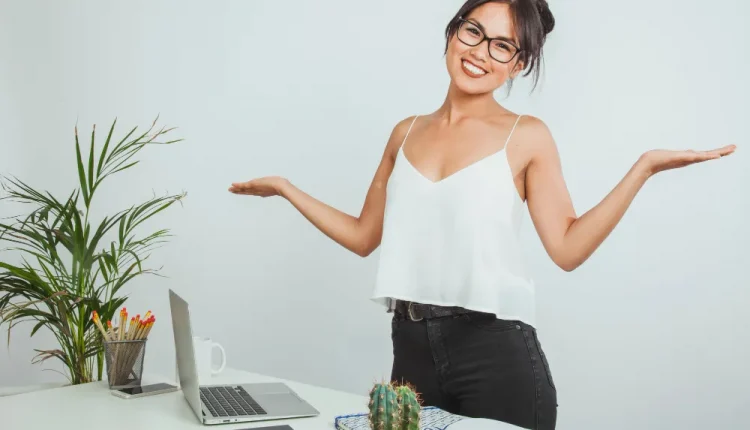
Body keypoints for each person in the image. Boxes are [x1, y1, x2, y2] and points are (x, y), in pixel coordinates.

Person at [228, 0, 736, 428]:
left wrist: (642, 169)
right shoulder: (405, 131)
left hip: (495, 354)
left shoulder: (527, 135)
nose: (480, 52)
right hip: (409, 353)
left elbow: (567, 247)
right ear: (453, 33)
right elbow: (365, 236)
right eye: (474, 31)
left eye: (502, 45)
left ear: (517, 65)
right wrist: (287, 190)